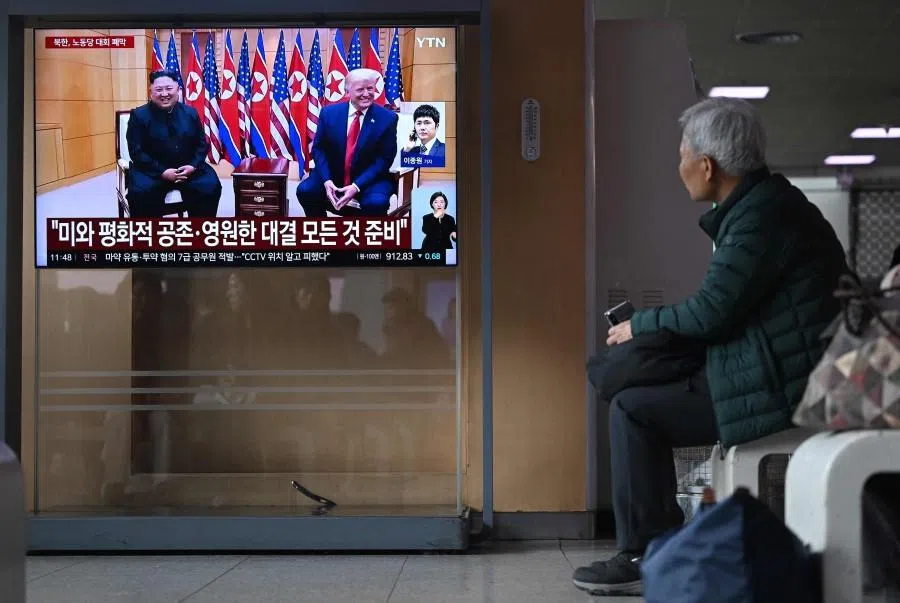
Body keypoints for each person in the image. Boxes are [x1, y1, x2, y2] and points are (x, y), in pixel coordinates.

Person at [572, 97, 848, 597]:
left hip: (782, 386)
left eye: (681, 155)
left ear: (706, 165)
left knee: (633, 409)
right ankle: (656, 544)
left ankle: (643, 552)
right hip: (768, 365)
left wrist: (640, 326)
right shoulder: (763, 207)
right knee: (633, 379)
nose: (678, 166)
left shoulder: (761, 217)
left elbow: (712, 311)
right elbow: (721, 310)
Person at [297, 68, 399, 217]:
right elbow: (319, 149)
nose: (366, 94)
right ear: (347, 92)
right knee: (306, 191)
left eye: (370, 88)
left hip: (370, 179)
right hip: (333, 175)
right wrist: (327, 180)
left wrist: (356, 186)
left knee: (376, 204)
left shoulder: (387, 118)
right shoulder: (329, 113)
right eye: (360, 89)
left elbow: (384, 159)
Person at [125, 70, 222, 217]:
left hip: (187, 169)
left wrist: (193, 166)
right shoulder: (139, 116)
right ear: (151, 91)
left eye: (169, 88)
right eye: (159, 89)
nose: (164, 94)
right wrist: (162, 172)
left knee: (210, 186)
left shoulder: (190, 113)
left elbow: (201, 144)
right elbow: (136, 151)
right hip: (152, 171)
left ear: (178, 89)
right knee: (140, 193)